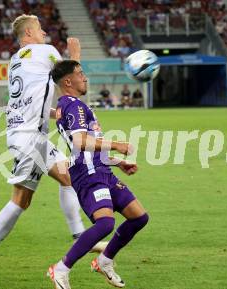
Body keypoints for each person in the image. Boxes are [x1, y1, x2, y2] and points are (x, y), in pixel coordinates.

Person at [0, 15, 106, 287]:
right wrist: (75, 54)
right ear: (29, 32)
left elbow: (33, 98)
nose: (44, 34)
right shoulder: (45, 51)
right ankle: (80, 237)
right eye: (41, 30)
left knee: (21, 200)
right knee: (66, 176)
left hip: (22, 133)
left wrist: (54, 113)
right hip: (30, 137)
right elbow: (69, 77)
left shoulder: (15, 60)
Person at [48, 60, 149, 289]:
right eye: (80, 74)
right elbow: (80, 142)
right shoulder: (73, 105)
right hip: (88, 174)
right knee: (105, 224)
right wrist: (116, 145)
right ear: (67, 81)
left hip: (100, 169)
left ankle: (104, 260)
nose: (84, 77)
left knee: (139, 217)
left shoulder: (71, 105)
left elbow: (88, 147)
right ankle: (61, 269)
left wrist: (117, 162)